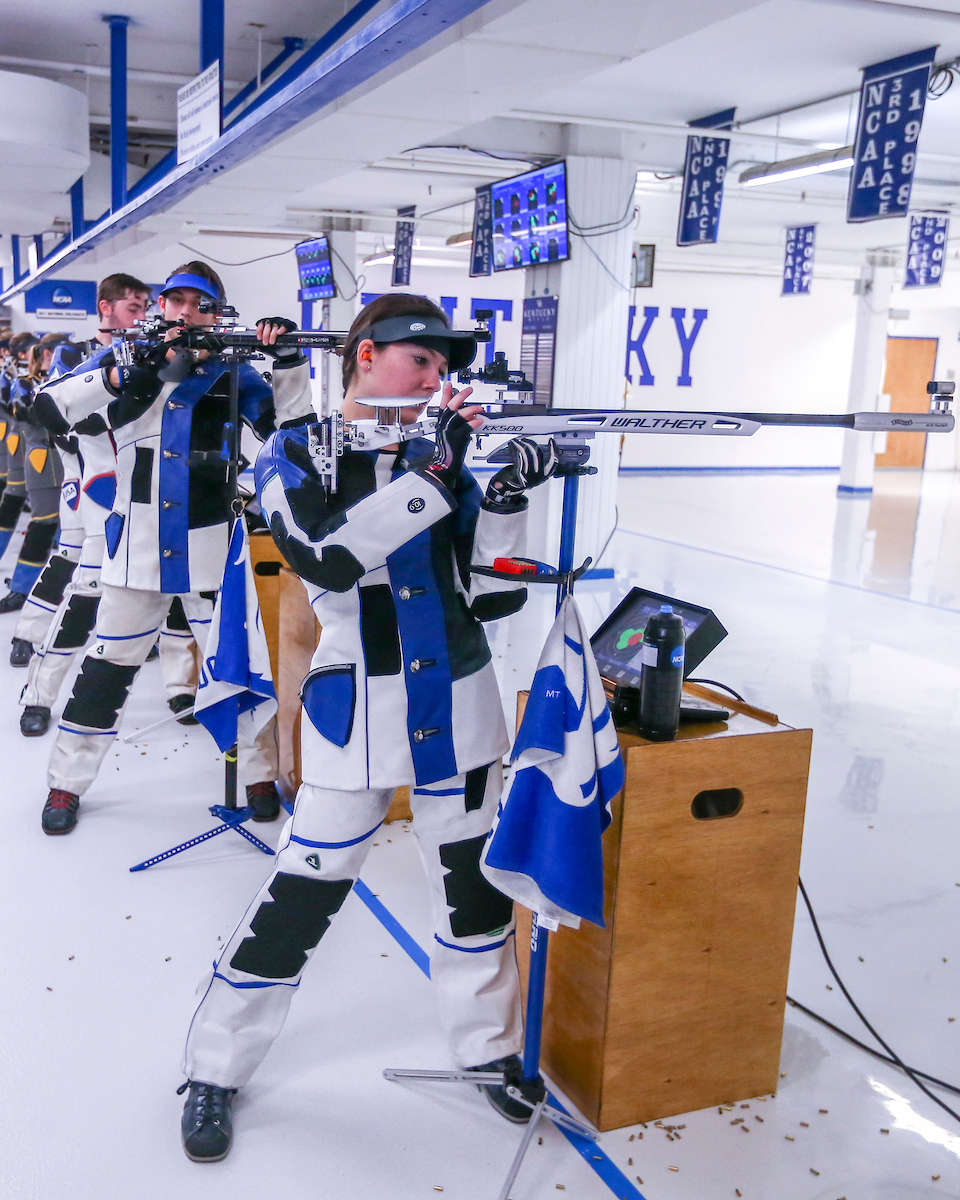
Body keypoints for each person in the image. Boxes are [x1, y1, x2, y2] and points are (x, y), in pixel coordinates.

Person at [178, 293, 558, 1163]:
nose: (437, 378)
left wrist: (502, 495)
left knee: (472, 893)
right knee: (300, 896)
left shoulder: (442, 453)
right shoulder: (296, 450)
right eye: (421, 361)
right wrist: (434, 474)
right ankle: (214, 1066)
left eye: (443, 365)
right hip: (357, 711)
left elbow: (493, 593)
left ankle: (488, 1051)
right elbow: (326, 557)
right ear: (366, 356)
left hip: (460, 705)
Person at [32, 260, 312, 833]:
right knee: (107, 671)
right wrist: (120, 374)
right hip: (134, 547)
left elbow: (296, 438)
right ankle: (65, 784)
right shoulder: (126, 358)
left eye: (200, 304)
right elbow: (49, 407)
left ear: (217, 312)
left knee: (239, 665)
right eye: (175, 301)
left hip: (212, 548)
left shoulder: (235, 374)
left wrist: (288, 363)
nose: (185, 313)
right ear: (160, 307)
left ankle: (258, 772)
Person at [16, 274, 152, 734]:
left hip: (145, 494)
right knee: (76, 586)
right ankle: (37, 688)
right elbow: (59, 416)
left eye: (145, 307)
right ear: (105, 307)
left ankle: (181, 689)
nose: (142, 315)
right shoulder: (78, 357)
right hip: (90, 482)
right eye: (133, 307)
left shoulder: (156, 357)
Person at [0, 334, 65, 617]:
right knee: (41, 523)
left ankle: (56, 584)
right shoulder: (25, 383)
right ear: (49, 353)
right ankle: (22, 588)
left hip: (72, 461)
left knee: (73, 531)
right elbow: (23, 413)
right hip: (41, 459)